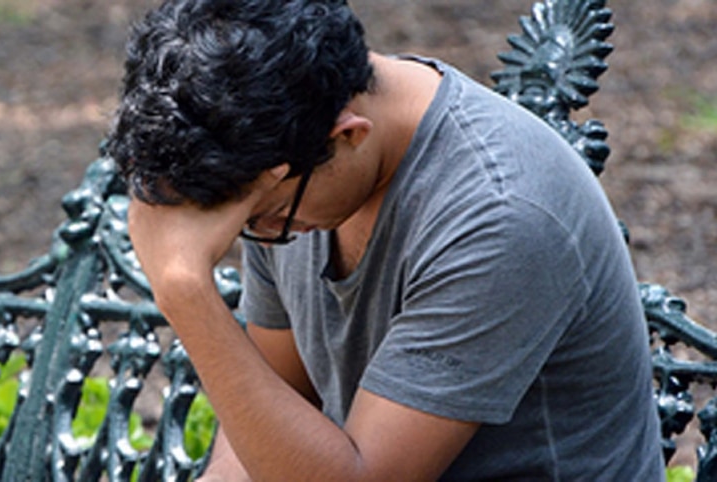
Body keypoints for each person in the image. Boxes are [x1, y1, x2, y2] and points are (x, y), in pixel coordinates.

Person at [107, 0, 665, 479]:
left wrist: (184, 293)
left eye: (266, 217)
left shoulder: (501, 215)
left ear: (347, 135)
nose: (261, 236)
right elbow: (273, 400)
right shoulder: (273, 161)